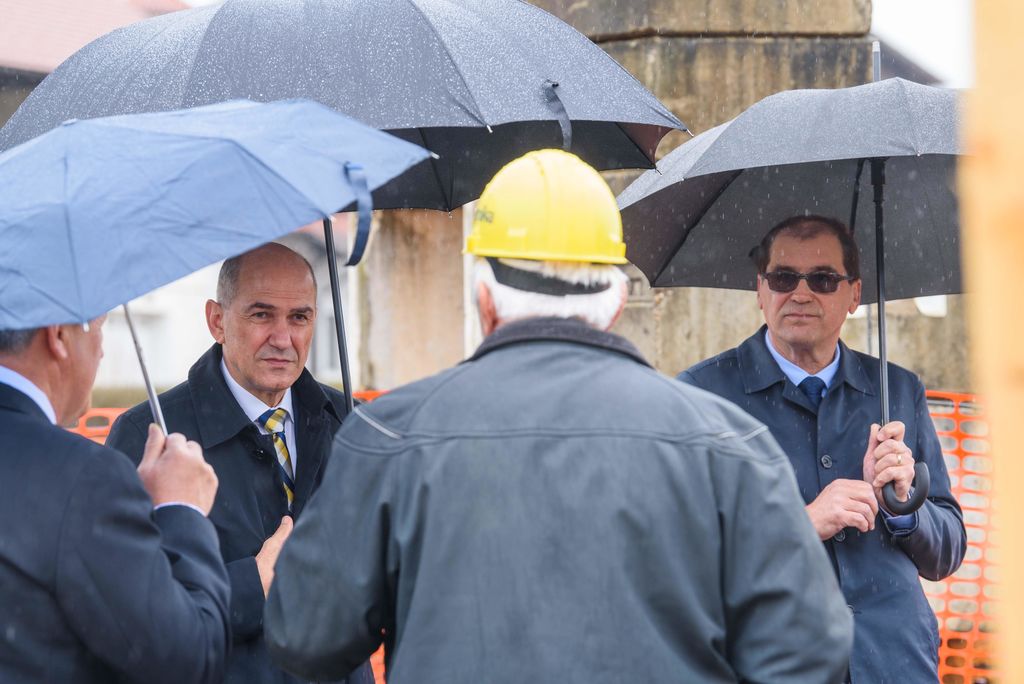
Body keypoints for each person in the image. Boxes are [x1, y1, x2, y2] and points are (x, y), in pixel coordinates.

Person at [263, 150, 853, 683]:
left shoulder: (387, 432)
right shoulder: (729, 443)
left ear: (484, 297)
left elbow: (307, 637)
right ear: (615, 301)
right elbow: (808, 652)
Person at [679, 214, 966, 683]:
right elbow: (681, 555)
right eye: (783, 277)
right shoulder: (702, 395)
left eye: (823, 279)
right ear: (760, 289)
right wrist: (802, 524)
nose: (800, 293)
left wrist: (903, 505)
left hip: (896, 663)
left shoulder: (898, 390)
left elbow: (947, 553)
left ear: (854, 294)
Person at [107, 243, 373, 684]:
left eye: (299, 317)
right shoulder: (148, 436)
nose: (283, 339)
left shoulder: (351, 422)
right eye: (262, 315)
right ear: (217, 321)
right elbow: (128, 609)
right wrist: (256, 581)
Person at [0, 316, 229, 683]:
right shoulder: (82, 476)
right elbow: (188, 659)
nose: (102, 350)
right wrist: (181, 509)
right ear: (58, 335)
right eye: (99, 327)